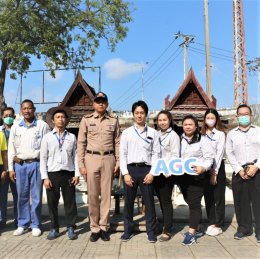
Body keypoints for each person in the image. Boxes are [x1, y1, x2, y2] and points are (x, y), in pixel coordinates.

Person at [77, 92, 120, 242]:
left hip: (108, 158)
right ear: (93, 104)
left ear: (107, 104)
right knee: (93, 195)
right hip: (91, 158)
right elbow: (81, 143)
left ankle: (104, 227)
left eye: (103, 101)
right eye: (98, 101)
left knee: (106, 195)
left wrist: (118, 162)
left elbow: (117, 142)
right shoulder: (86, 120)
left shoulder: (113, 120)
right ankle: (94, 227)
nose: (101, 103)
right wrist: (81, 165)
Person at [120, 100, 160, 243]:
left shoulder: (153, 133)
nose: (139, 115)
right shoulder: (126, 133)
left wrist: (152, 173)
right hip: (131, 170)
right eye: (137, 113)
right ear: (133, 114)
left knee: (149, 202)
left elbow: (156, 154)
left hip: (146, 170)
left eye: (142, 113)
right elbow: (122, 154)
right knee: (128, 203)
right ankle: (127, 231)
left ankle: (151, 232)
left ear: (146, 114)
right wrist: (125, 173)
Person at [8, 99, 49, 236]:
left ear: (34, 109)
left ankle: (36, 224)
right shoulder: (15, 127)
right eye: (24, 108)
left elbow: (46, 148)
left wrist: (45, 169)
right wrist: (11, 169)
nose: (27, 111)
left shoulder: (42, 126)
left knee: (36, 196)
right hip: (20, 166)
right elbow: (11, 150)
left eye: (29, 108)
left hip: (37, 164)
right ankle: (22, 224)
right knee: (22, 196)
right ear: (21, 110)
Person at [40, 106, 80, 240]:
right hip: (52, 174)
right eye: (58, 117)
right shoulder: (47, 138)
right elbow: (43, 159)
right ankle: (54, 228)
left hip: (68, 173)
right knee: (52, 203)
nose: (61, 119)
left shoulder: (72, 137)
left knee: (70, 202)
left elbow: (76, 156)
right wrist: (45, 177)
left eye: (63, 117)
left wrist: (77, 174)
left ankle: (71, 227)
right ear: (53, 120)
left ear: (66, 120)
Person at [226, 104, 260, 243]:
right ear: (237, 116)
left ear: (251, 116)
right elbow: (229, 152)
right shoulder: (231, 134)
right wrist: (239, 169)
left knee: (258, 202)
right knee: (241, 202)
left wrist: (256, 167)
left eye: (246, 114)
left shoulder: (258, 131)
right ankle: (244, 229)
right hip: (239, 171)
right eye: (241, 114)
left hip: (257, 170)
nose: (244, 116)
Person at [179, 115, 214, 245]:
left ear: (196, 126)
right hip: (182, 177)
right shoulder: (180, 139)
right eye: (185, 124)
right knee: (189, 201)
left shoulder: (203, 140)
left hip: (197, 177)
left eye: (190, 124)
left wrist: (203, 168)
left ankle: (191, 234)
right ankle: (198, 227)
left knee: (194, 204)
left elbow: (209, 158)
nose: (187, 126)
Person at [153, 110, 180, 242]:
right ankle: (164, 224)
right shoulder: (156, 134)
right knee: (160, 200)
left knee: (166, 201)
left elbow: (175, 155)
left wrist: (167, 170)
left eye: (165, 120)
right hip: (156, 172)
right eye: (160, 120)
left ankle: (168, 229)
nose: (162, 122)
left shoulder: (173, 135)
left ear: (170, 121)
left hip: (167, 173)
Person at [201, 108, 226, 236]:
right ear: (204, 120)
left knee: (218, 197)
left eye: (212, 118)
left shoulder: (220, 134)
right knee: (208, 196)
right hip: (205, 169)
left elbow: (219, 154)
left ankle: (219, 223)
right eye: (208, 118)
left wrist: (214, 172)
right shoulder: (202, 134)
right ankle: (211, 221)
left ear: (216, 119)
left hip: (217, 167)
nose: (210, 120)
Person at [0, 107, 18, 230]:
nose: (8, 117)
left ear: (14, 117)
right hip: (3, 167)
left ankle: (18, 220)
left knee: (18, 195)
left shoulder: (18, 130)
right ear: (2, 116)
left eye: (10, 115)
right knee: (2, 195)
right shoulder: (0, 132)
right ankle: (2, 221)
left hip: (17, 166)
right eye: (6, 115)